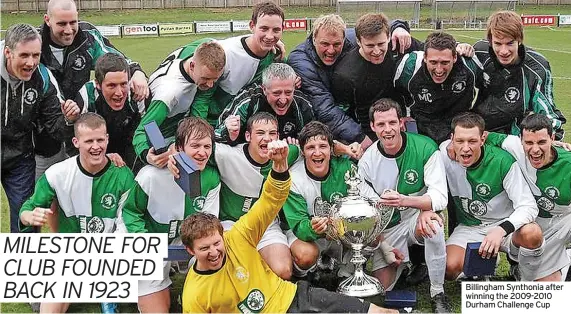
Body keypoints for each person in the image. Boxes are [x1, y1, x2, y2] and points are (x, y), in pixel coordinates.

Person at [180, 141, 399, 313]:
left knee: (379, 312)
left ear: (222, 235)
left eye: (216, 243)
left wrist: (279, 166)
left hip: (292, 298)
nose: (214, 251)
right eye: (204, 248)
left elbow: (269, 201)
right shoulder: (194, 294)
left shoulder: (237, 236)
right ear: (191, 251)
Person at [19, 112, 135, 313]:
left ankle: (107, 289)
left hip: (110, 254)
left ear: (107, 139)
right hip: (72, 254)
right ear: (76, 142)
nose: (96, 146)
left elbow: (128, 221)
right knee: (49, 308)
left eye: (100, 139)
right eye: (89, 141)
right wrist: (28, 216)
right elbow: (27, 209)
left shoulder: (123, 174)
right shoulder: (57, 174)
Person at [170, 112, 301, 280]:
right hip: (230, 225)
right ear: (248, 136)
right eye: (260, 133)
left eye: (272, 133)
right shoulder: (225, 155)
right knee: (229, 271)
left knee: (283, 270)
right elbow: (192, 145)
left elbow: (310, 148)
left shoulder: (286, 152)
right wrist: (173, 156)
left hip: (266, 226)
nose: (267, 139)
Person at [35, 0, 149, 178]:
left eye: (73, 22)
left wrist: (137, 72)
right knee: (51, 188)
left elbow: (150, 126)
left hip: (90, 129)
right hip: (48, 131)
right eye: (61, 23)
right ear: (47, 20)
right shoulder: (35, 43)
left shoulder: (137, 94)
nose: (69, 29)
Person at [357, 98, 451, 313]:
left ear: (401, 122)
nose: (387, 130)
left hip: (414, 219)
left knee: (434, 227)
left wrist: (412, 203)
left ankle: (438, 292)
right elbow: (368, 213)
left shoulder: (426, 147)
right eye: (381, 125)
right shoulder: (367, 162)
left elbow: (439, 197)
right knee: (380, 289)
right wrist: (384, 245)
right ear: (372, 127)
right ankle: (404, 265)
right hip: (387, 229)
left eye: (392, 123)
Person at [121, 117, 220, 313]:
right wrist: (149, 246)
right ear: (178, 148)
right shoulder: (151, 175)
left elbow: (207, 227)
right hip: (149, 240)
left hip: (180, 242)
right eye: (195, 146)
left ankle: (191, 292)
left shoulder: (212, 178)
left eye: (207, 146)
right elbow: (131, 212)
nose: (202, 152)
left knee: (213, 254)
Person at [282, 121, 400, 280]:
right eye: (311, 148)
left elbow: (372, 203)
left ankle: (347, 272)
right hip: (309, 236)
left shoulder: (346, 169)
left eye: (322, 146)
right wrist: (313, 228)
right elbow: (299, 227)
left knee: (367, 224)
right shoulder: (294, 178)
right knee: (305, 255)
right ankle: (304, 277)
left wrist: (385, 245)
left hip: (341, 232)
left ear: (332, 149)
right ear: (303, 152)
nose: (317, 153)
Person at [441, 112, 544, 282]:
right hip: (471, 227)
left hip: (505, 227)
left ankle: (524, 279)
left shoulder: (502, 161)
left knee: (532, 233)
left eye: (472, 141)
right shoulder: (444, 155)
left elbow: (528, 206)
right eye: (460, 141)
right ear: (452, 139)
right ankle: (484, 265)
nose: (465, 148)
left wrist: (501, 229)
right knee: (447, 269)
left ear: (483, 139)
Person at [288, 13, 412, 149]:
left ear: (344, 38)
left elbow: (376, 26)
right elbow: (324, 107)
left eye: (337, 44)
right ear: (314, 39)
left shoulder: (352, 38)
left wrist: (398, 27)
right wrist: (360, 137)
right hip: (322, 119)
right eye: (325, 44)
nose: (331, 50)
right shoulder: (301, 60)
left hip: (353, 109)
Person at [157, 1, 287, 127]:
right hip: (168, 131)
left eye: (276, 30)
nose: (270, 36)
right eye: (264, 28)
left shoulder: (271, 53)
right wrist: (154, 147)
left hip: (212, 124)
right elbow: (147, 126)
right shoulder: (169, 93)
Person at [1, 23, 77, 233]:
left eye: (36, 55)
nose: (31, 63)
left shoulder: (43, 78)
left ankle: (23, 264)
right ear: (8, 52)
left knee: (28, 217)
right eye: (24, 55)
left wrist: (69, 119)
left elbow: (56, 127)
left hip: (20, 158)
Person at [484, 113, 571, 281]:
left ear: (552, 138)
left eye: (542, 142)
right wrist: (450, 146)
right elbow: (482, 135)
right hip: (536, 227)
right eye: (529, 142)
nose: (535, 149)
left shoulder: (568, 164)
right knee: (546, 289)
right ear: (521, 140)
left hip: (564, 222)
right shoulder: (513, 145)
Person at [331, 13, 423, 142]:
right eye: (370, 45)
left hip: (404, 122)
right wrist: (361, 138)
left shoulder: (399, 45)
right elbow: (344, 113)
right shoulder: (344, 75)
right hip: (370, 134)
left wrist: (458, 46)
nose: (376, 51)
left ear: (389, 37)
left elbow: (433, 51)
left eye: (381, 44)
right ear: (358, 41)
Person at [132, 40, 225, 168]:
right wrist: (150, 154)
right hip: (156, 126)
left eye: (215, 79)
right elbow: (146, 127)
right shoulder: (170, 93)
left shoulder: (195, 55)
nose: (210, 85)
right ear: (192, 66)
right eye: (206, 78)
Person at [473, 11, 565, 140]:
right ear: (490, 40)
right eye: (498, 44)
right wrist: (459, 46)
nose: (503, 51)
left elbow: (546, 110)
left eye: (510, 43)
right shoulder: (480, 52)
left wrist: (553, 135)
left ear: (519, 40)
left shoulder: (537, 66)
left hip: (514, 138)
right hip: (480, 132)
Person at [394, 31, 484, 145]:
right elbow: (394, 92)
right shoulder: (409, 67)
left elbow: (486, 90)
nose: (439, 69)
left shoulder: (469, 65)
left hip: (457, 126)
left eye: (445, 63)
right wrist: (403, 114)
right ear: (425, 57)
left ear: (455, 57)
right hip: (421, 126)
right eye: (433, 62)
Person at [74, 53, 145, 171]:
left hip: (130, 144)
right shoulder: (87, 96)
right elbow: (77, 143)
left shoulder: (137, 92)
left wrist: (156, 154)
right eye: (112, 85)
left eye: (123, 84)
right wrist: (103, 158)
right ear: (98, 84)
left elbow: (150, 128)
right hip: (97, 149)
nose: (119, 93)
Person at [215, 63, 313, 145]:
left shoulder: (301, 104)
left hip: (286, 159)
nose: (283, 100)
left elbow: (314, 140)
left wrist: (297, 147)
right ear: (264, 89)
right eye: (276, 93)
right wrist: (229, 135)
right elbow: (217, 136)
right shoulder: (248, 101)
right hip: (247, 159)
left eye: (288, 92)